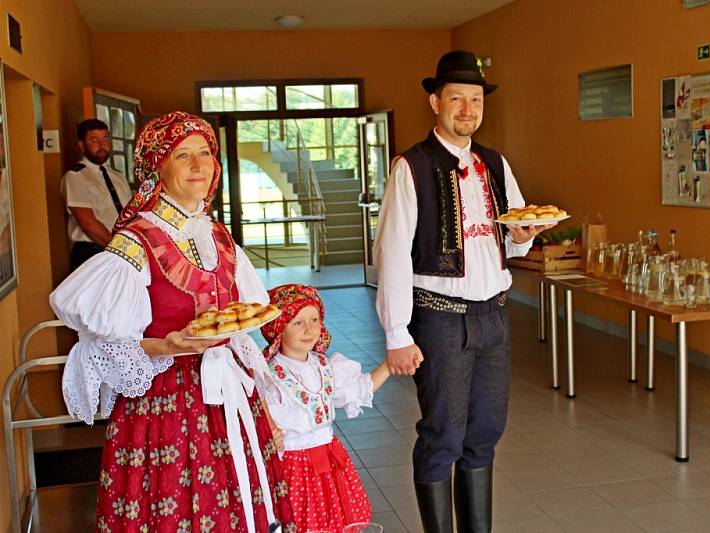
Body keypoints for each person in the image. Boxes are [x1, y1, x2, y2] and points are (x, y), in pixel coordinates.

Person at [50, 111, 295, 532]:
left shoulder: (217, 234)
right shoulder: (136, 242)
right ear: (156, 169)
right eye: (183, 155)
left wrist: (267, 410)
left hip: (228, 397)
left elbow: (236, 331)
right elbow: (94, 345)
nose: (199, 166)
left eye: (205, 153)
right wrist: (166, 346)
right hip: (165, 404)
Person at [373, 50, 555, 533]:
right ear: (436, 102)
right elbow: (391, 253)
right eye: (457, 98)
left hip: (493, 316)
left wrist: (524, 236)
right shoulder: (409, 167)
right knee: (443, 435)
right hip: (438, 318)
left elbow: (514, 236)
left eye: (475, 99)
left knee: (485, 433)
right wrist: (396, 333)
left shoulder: (495, 164)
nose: (467, 109)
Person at [259, 284, 405, 533]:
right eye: (297, 322)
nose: (309, 329)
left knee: (336, 521)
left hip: (330, 461)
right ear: (278, 329)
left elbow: (361, 387)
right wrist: (268, 435)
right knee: (300, 524)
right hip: (293, 469)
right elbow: (257, 421)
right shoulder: (268, 377)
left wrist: (390, 365)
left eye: (314, 319)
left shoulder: (326, 367)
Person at [61, 119, 133, 271]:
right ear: (81, 144)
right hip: (92, 252)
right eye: (94, 140)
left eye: (105, 139)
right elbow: (88, 224)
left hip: (124, 250)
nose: (102, 145)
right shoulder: (75, 176)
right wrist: (120, 249)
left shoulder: (118, 177)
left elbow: (131, 214)